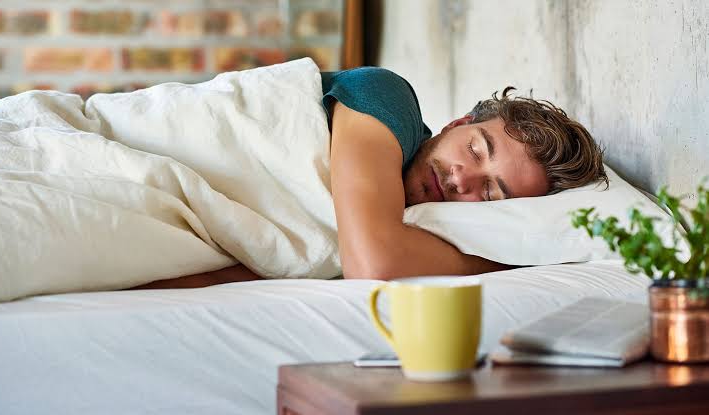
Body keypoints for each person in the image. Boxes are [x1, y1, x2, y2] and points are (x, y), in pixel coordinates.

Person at [132, 66, 607, 289]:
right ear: (457, 124)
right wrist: (511, 261)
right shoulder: (389, 99)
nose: (462, 179)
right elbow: (374, 264)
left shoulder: (402, 228)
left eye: (489, 193)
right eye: (476, 149)